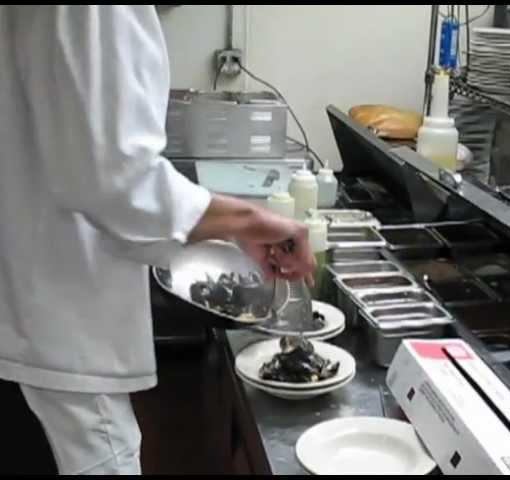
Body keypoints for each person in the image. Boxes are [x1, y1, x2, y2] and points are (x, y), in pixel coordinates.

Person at [0, 5, 315, 475]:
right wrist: (248, 219)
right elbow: (113, 179)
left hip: (32, 318)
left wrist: (223, 223)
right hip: (58, 341)